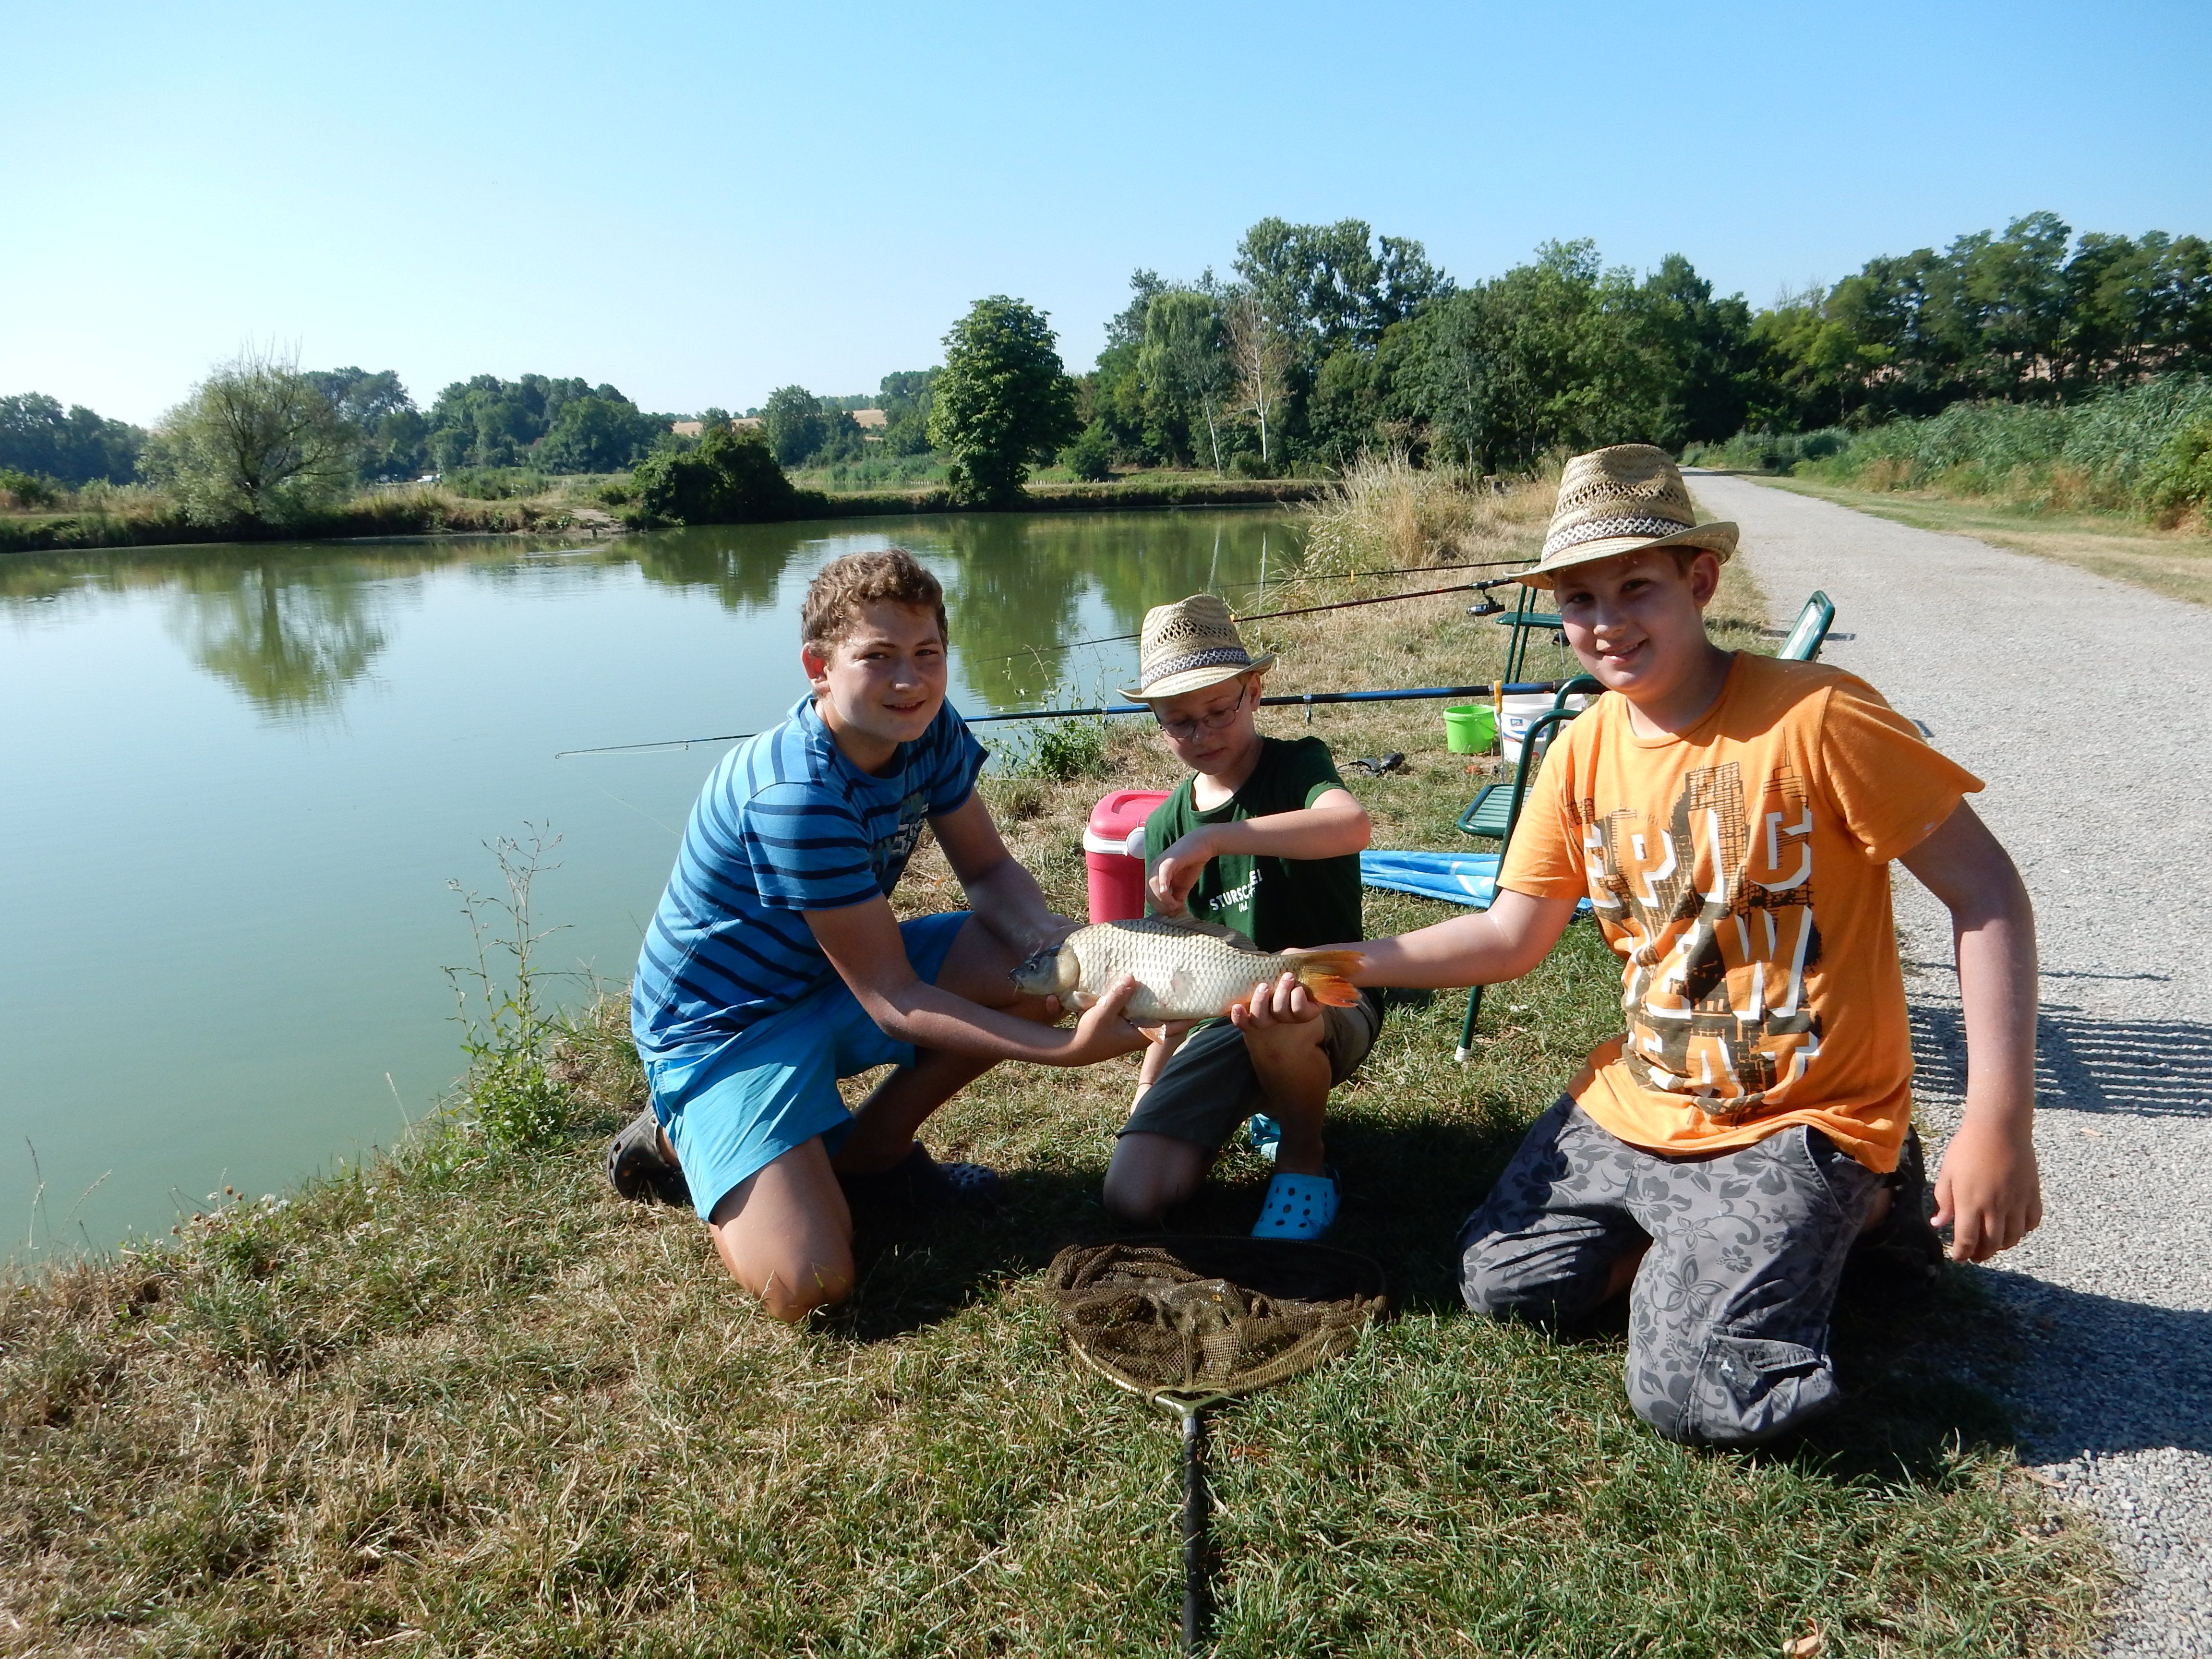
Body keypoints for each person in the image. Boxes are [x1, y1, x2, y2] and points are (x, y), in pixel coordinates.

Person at [1252, 445, 2043, 1446]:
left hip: (1797, 1113)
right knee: (1502, 1285)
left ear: (1700, 582)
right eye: (1580, 599)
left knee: (1693, 1397)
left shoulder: (1819, 716)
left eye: (1637, 587)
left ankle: (1871, 1208)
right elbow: (1510, 934)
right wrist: (1338, 963)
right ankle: (1713, 1246)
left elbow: (1989, 897)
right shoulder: (1583, 747)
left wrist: (1998, 1122)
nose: (1607, 621)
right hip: (1641, 1097)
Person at [611, 549, 1147, 1321]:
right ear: (818, 667)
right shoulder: (795, 796)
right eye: (879, 658)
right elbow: (895, 997)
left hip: (833, 978)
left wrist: (1072, 947)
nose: (910, 680)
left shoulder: (926, 729)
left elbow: (991, 871)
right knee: (810, 1286)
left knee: (1036, 967)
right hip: (724, 1031)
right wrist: (1067, 1051)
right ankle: (674, 1130)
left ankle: (873, 1158)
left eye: (928, 655)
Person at [1100, 593, 1378, 1240]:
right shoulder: (1168, 821)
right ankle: (1258, 1100)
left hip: (1330, 995)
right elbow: (1164, 980)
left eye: (1219, 710)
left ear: (1255, 691)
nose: (1203, 734)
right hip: (1222, 1022)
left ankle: (1303, 1158)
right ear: (1158, 722)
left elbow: (1351, 825)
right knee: (1134, 1197)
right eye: (1179, 722)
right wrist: (1149, 1091)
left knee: (1277, 1011)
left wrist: (1217, 839)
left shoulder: (1297, 765)